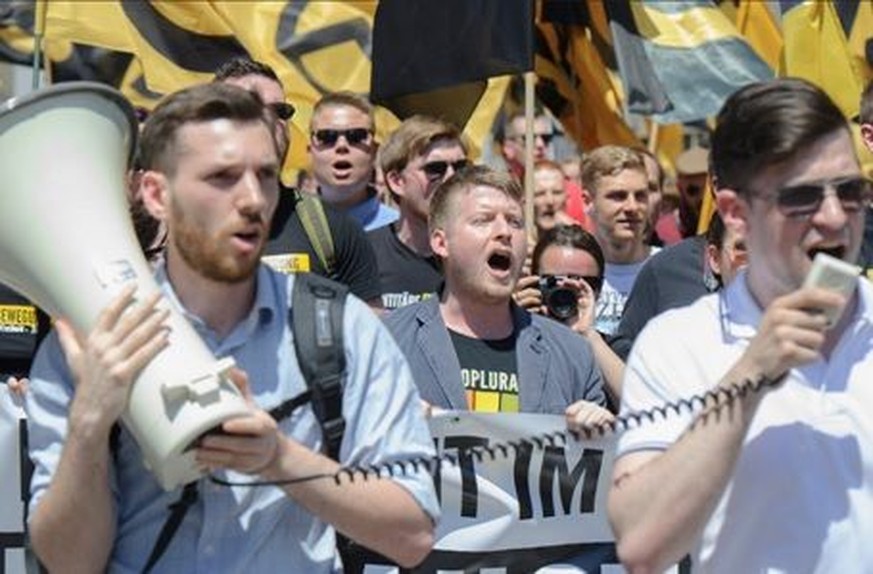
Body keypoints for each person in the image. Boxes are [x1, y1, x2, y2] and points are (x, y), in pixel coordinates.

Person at [25, 83, 438, 573]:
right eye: (221, 177)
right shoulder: (89, 344)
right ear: (156, 194)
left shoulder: (341, 328)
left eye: (265, 175)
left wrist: (280, 459)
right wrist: (89, 425)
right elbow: (68, 563)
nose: (251, 199)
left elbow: (412, 534)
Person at [608, 78, 873, 572]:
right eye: (803, 198)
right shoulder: (678, 344)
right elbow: (642, 545)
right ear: (735, 212)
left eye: (852, 190)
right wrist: (749, 376)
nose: (836, 218)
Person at [384, 166, 610, 429]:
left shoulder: (573, 354)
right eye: (483, 220)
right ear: (441, 243)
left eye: (515, 222)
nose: (504, 232)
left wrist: (601, 434)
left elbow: (604, 464)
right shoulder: (388, 343)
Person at [213, 58, 383, 309]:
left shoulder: (332, 228)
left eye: (280, 112)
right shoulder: (179, 227)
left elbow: (370, 338)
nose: (270, 120)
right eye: (250, 108)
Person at [514, 224, 625, 406]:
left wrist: (588, 336)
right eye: (553, 282)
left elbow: (639, 405)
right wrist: (508, 319)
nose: (565, 292)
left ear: (598, 290)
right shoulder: (509, 338)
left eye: (582, 283)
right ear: (533, 282)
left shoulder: (611, 349)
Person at [368, 115, 468, 311]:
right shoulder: (365, 254)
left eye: (460, 167)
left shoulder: (480, 253)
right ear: (397, 182)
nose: (451, 177)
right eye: (435, 169)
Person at [583, 145, 658, 336]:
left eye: (640, 195)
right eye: (618, 196)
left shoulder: (669, 267)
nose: (632, 206)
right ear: (587, 201)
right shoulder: (570, 270)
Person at [309, 91, 399, 231]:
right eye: (327, 136)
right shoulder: (283, 229)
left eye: (356, 136)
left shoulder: (400, 231)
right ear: (311, 151)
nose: (342, 146)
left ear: (374, 150)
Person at [531, 160, 576, 234]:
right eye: (540, 194)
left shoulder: (580, 240)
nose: (550, 201)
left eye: (557, 193)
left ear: (567, 198)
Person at [674, 145, 710, 239]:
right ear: (679, 188)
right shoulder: (663, 233)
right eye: (693, 190)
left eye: (709, 192)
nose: (702, 198)